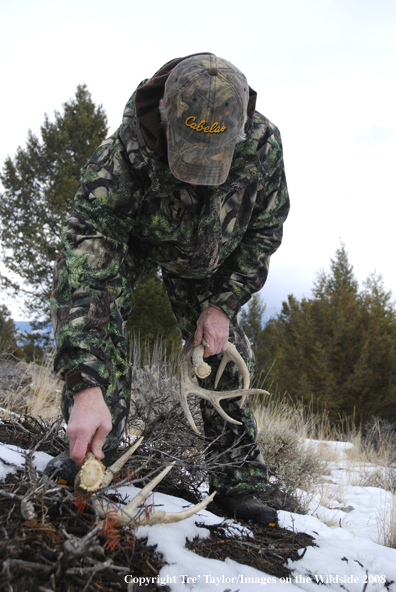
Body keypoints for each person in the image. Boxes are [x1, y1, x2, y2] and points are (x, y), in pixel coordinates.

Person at [45, 53, 290, 526]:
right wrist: (84, 382)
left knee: (222, 353)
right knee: (102, 326)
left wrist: (223, 303)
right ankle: (96, 459)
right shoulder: (119, 160)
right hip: (137, 242)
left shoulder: (263, 145)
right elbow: (84, 277)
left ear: (239, 129)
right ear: (165, 119)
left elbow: (265, 229)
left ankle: (236, 480)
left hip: (209, 260)